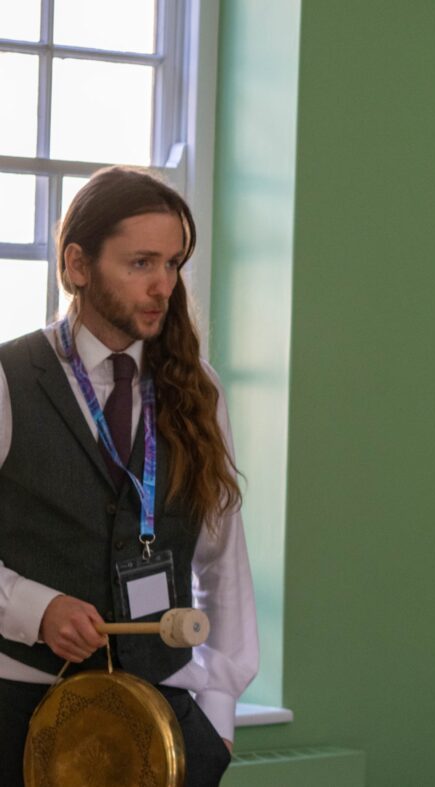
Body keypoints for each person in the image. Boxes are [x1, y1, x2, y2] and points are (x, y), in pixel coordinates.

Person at [0, 166, 258, 786]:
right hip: (18, 712)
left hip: (165, 714)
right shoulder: (9, 378)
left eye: (173, 265)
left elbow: (224, 562)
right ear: (78, 266)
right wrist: (34, 608)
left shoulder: (199, 389)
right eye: (141, 263)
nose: (162, 286)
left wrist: (218, 711)